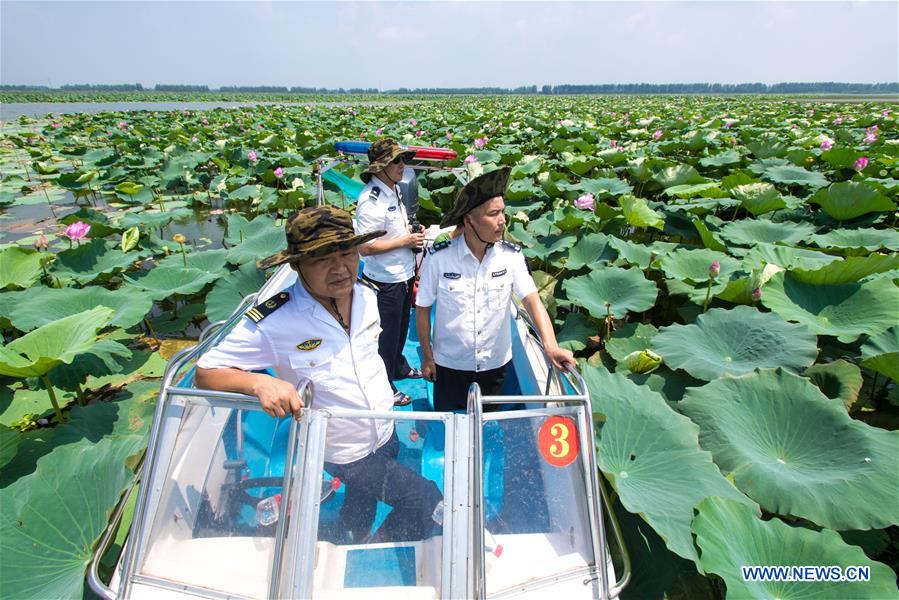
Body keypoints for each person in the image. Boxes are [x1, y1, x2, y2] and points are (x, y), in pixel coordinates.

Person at [195, 205, 441, 543]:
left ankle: (350, 536)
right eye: (322, 259)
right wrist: (259, 381)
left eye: (346, 253)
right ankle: (375, 548)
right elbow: (205, 372)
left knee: (361, 503)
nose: (339, 268)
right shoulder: (276, 321)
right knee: (426, 499)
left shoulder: (367, 296)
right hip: (344, 449)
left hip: (385, 428)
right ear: (296, 266)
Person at [415, 167, 576, 412]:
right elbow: (423, 309)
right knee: (449, 428)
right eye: (493, 214)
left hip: (494, 365)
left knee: (489, 427)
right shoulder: (439, 258)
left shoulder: (511, 257)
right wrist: (428, 357)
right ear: (469, 220)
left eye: (503, 212)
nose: (502, 220)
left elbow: (532, 301)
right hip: (449, 365)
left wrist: (551, 345)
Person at [355, 138, 426, 407]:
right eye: (396, 160)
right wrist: (404, 242)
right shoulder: (370, 201)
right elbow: (365, 247)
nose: (402, 165)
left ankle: (399, 366)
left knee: (400, 329)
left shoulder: (393, 190)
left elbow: (395, 229)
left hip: (403, 275)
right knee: (384, 337)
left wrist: (411, 234)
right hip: (384, 281)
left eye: (402, 159)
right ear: (381, 166)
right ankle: (385, 384)